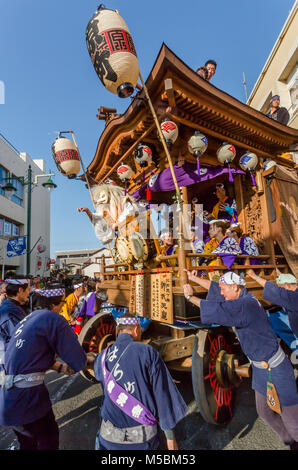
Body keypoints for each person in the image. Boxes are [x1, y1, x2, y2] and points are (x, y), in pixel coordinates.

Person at [183, 270, 298, 450]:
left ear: (235, 287)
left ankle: (295, 439)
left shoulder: (246, 305)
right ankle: (290, 441)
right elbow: (216, 291)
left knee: (292, 420)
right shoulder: (238, 298)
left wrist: (190, 297)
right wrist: (193, 278)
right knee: (265, 412)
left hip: (277, 368)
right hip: (260, 370)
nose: (221, 293)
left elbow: (218, 308)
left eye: (224, 289)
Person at [0, 284, 87, 450]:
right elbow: (78, 361)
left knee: (27, 444)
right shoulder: (53, 319)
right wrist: (87, 361)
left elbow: (30, 356)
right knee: (48, 440)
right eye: (62, 303)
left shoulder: (28, 319)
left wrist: (60, 368)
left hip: (8, 398)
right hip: (28, 398)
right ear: (56, 304)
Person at [91, 313, 187, 450]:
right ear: (136, 330)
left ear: (118, 331)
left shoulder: (102, 357)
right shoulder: (147, 352)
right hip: (142, 443)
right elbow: (163, 399)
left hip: (106, 441)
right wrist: (171, 440)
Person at [247, 270, 298, 339]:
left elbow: (275, 291)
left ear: (287, 285)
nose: (281, 290)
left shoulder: (294, 297)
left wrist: (254, 276)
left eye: (282, 288)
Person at [0, 278, 30, 355]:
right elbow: (20, 339)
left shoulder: (11, 307)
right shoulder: (10, 312)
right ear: (20, 290)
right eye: (28, 290)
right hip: (9, 360)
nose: (28, 294)